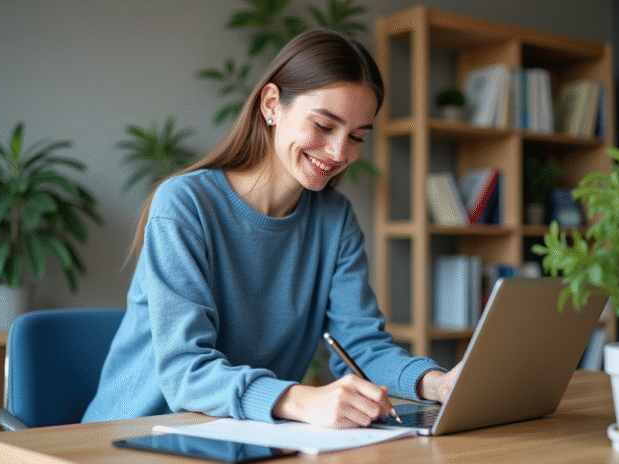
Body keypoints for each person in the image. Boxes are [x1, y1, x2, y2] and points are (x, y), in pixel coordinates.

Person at [83, 29, 459, 428]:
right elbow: (185, 372)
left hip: (244, 435)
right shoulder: (184, 205)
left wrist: (437, 384)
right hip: (137, 435)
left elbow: (360, 346)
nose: (338, 153)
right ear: (272, 105)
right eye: (324, 126)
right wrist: (300, 399)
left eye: (356, 137)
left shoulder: (335, 219)